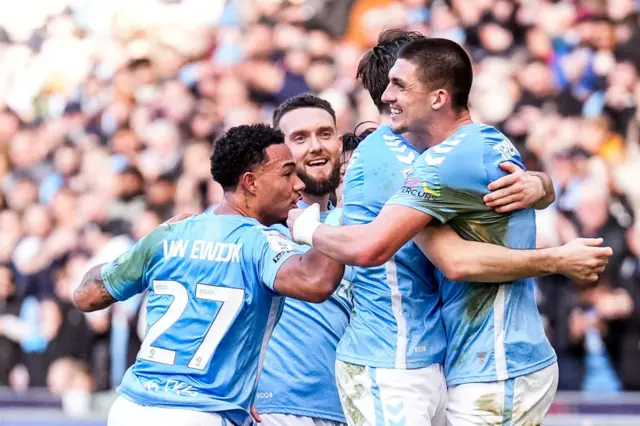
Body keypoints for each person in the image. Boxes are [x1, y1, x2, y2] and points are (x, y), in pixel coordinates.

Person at [289, 37, 613, 426]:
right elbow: (427, 253)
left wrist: (543, 189)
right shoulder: (406, 157)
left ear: (437, 94)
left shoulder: (443, 156)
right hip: (397, 363)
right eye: (393, 82)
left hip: (487, 362)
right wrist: (553, 243)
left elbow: (450, 254)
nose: (393, 93)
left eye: (403, 83)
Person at [73, 124, 346, 426]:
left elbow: (86, 295)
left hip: (131, 410)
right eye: (287, 174)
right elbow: (316, 281)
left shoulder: (170, 235)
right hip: (201, 413)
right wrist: (339, 213)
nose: (298, 184)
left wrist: (145, 246)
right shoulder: (259, 241)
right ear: (250, 182)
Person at [254, 95, 354, 426]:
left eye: (324, 134)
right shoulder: (254, 228)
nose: (315, 147)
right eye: (299, 138)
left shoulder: (368, 226)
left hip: (352, 407)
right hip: (276, 408)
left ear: (339, 144)